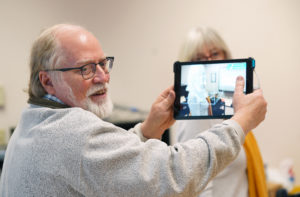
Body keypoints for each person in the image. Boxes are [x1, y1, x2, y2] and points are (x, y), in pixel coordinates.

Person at [0, 24, 267, 197]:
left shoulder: (32, 122)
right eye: (86, 69)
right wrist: (240, 122)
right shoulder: (73, 133)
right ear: (47, 80)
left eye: (103, 64)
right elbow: (173, 175)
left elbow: (107, 163)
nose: (103, 77)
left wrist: (149, 130)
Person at [175, 26, 268, 197]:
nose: (209, 61)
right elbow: (196, 183)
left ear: (225, 55)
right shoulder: (196, 114)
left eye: (215, 54)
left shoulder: (231, 107)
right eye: (199, 58)